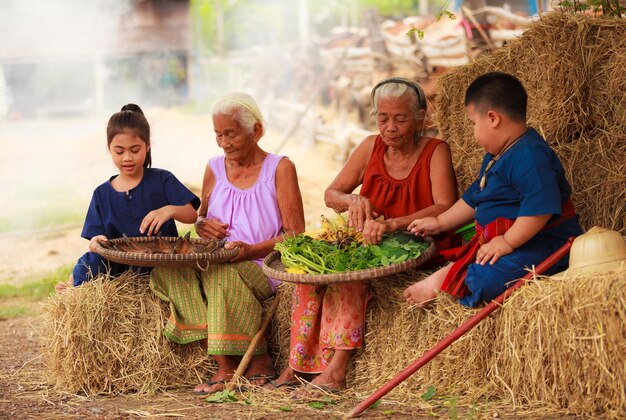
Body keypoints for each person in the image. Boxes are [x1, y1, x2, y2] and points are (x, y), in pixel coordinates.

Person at [271, 77, 457, 394]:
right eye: (383, 118)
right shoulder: (370, 146)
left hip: (412, 246)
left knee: (349, 279)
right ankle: (297, 366)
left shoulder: (435, 151)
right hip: (368, 245)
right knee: (311, 278)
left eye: (400, 118)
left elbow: (445, 205)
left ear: (420, 118)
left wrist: (394, 224)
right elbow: (332, 193)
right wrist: (352, 200)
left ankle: (336, 372)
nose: (390, 127)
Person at [149, 92, 305, 394]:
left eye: (230, 134)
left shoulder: (280, 168)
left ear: (256, 131)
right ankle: (225, 349)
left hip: (263, 263)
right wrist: (201, 225)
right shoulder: (214, 167)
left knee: (220, 274)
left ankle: (244, 362)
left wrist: (249, 250)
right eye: (218, 134)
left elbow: (295, 235)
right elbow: (202, 217)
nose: (223, 142)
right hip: (216, 257)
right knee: (168, 272)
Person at [404, 72, 583, 308]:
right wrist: (440, 222)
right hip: (509, 241)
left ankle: (449, 278)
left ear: (492, 118)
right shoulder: (496, 156)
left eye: (473, 124)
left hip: (543, 244)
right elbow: (474, 198)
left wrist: (507, 242)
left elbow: (538, 211)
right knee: (470, 255)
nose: (472, 133)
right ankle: (452, 272)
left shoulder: (530, 157)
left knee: (485, 281)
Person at [56, 104, 200, 293]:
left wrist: (169, 210)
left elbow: (191, 215)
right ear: (109, 149)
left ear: (147, 145)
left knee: (167, 273)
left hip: (160, 262)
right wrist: (96, 241)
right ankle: (74, 289)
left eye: (135, 150)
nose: (127, 158)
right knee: (91, 261)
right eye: (119, 151)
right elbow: (96, 238)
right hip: (120, 267)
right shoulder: (101, 194)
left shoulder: (162, 179)